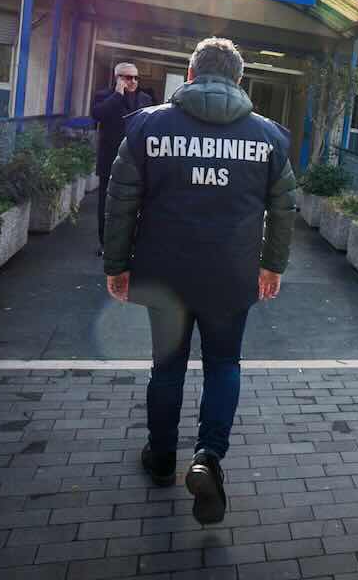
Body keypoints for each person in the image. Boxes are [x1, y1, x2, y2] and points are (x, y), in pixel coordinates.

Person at [102, 37, 297, 524]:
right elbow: (284, 208)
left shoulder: (147, 126)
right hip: (231, 276)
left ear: (190, 75)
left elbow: (120, 200)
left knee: (167, 369)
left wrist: (116, 265)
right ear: (239, 80)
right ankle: (208, 457)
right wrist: (272, 265)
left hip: (164, 275)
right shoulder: (268, 137)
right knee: (224, 364)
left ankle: (161, 459)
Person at [91, 62, 153, 254]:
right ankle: (105, 244)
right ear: (117, 78)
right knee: (106, 205)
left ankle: (131, 244)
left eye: (136, 77)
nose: (133, 81)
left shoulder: (145, 99)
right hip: (110, 158)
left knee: (136, 204)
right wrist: (117, 95)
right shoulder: (104, 96)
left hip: (137, 160)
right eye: (128, 77)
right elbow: (98, 114)